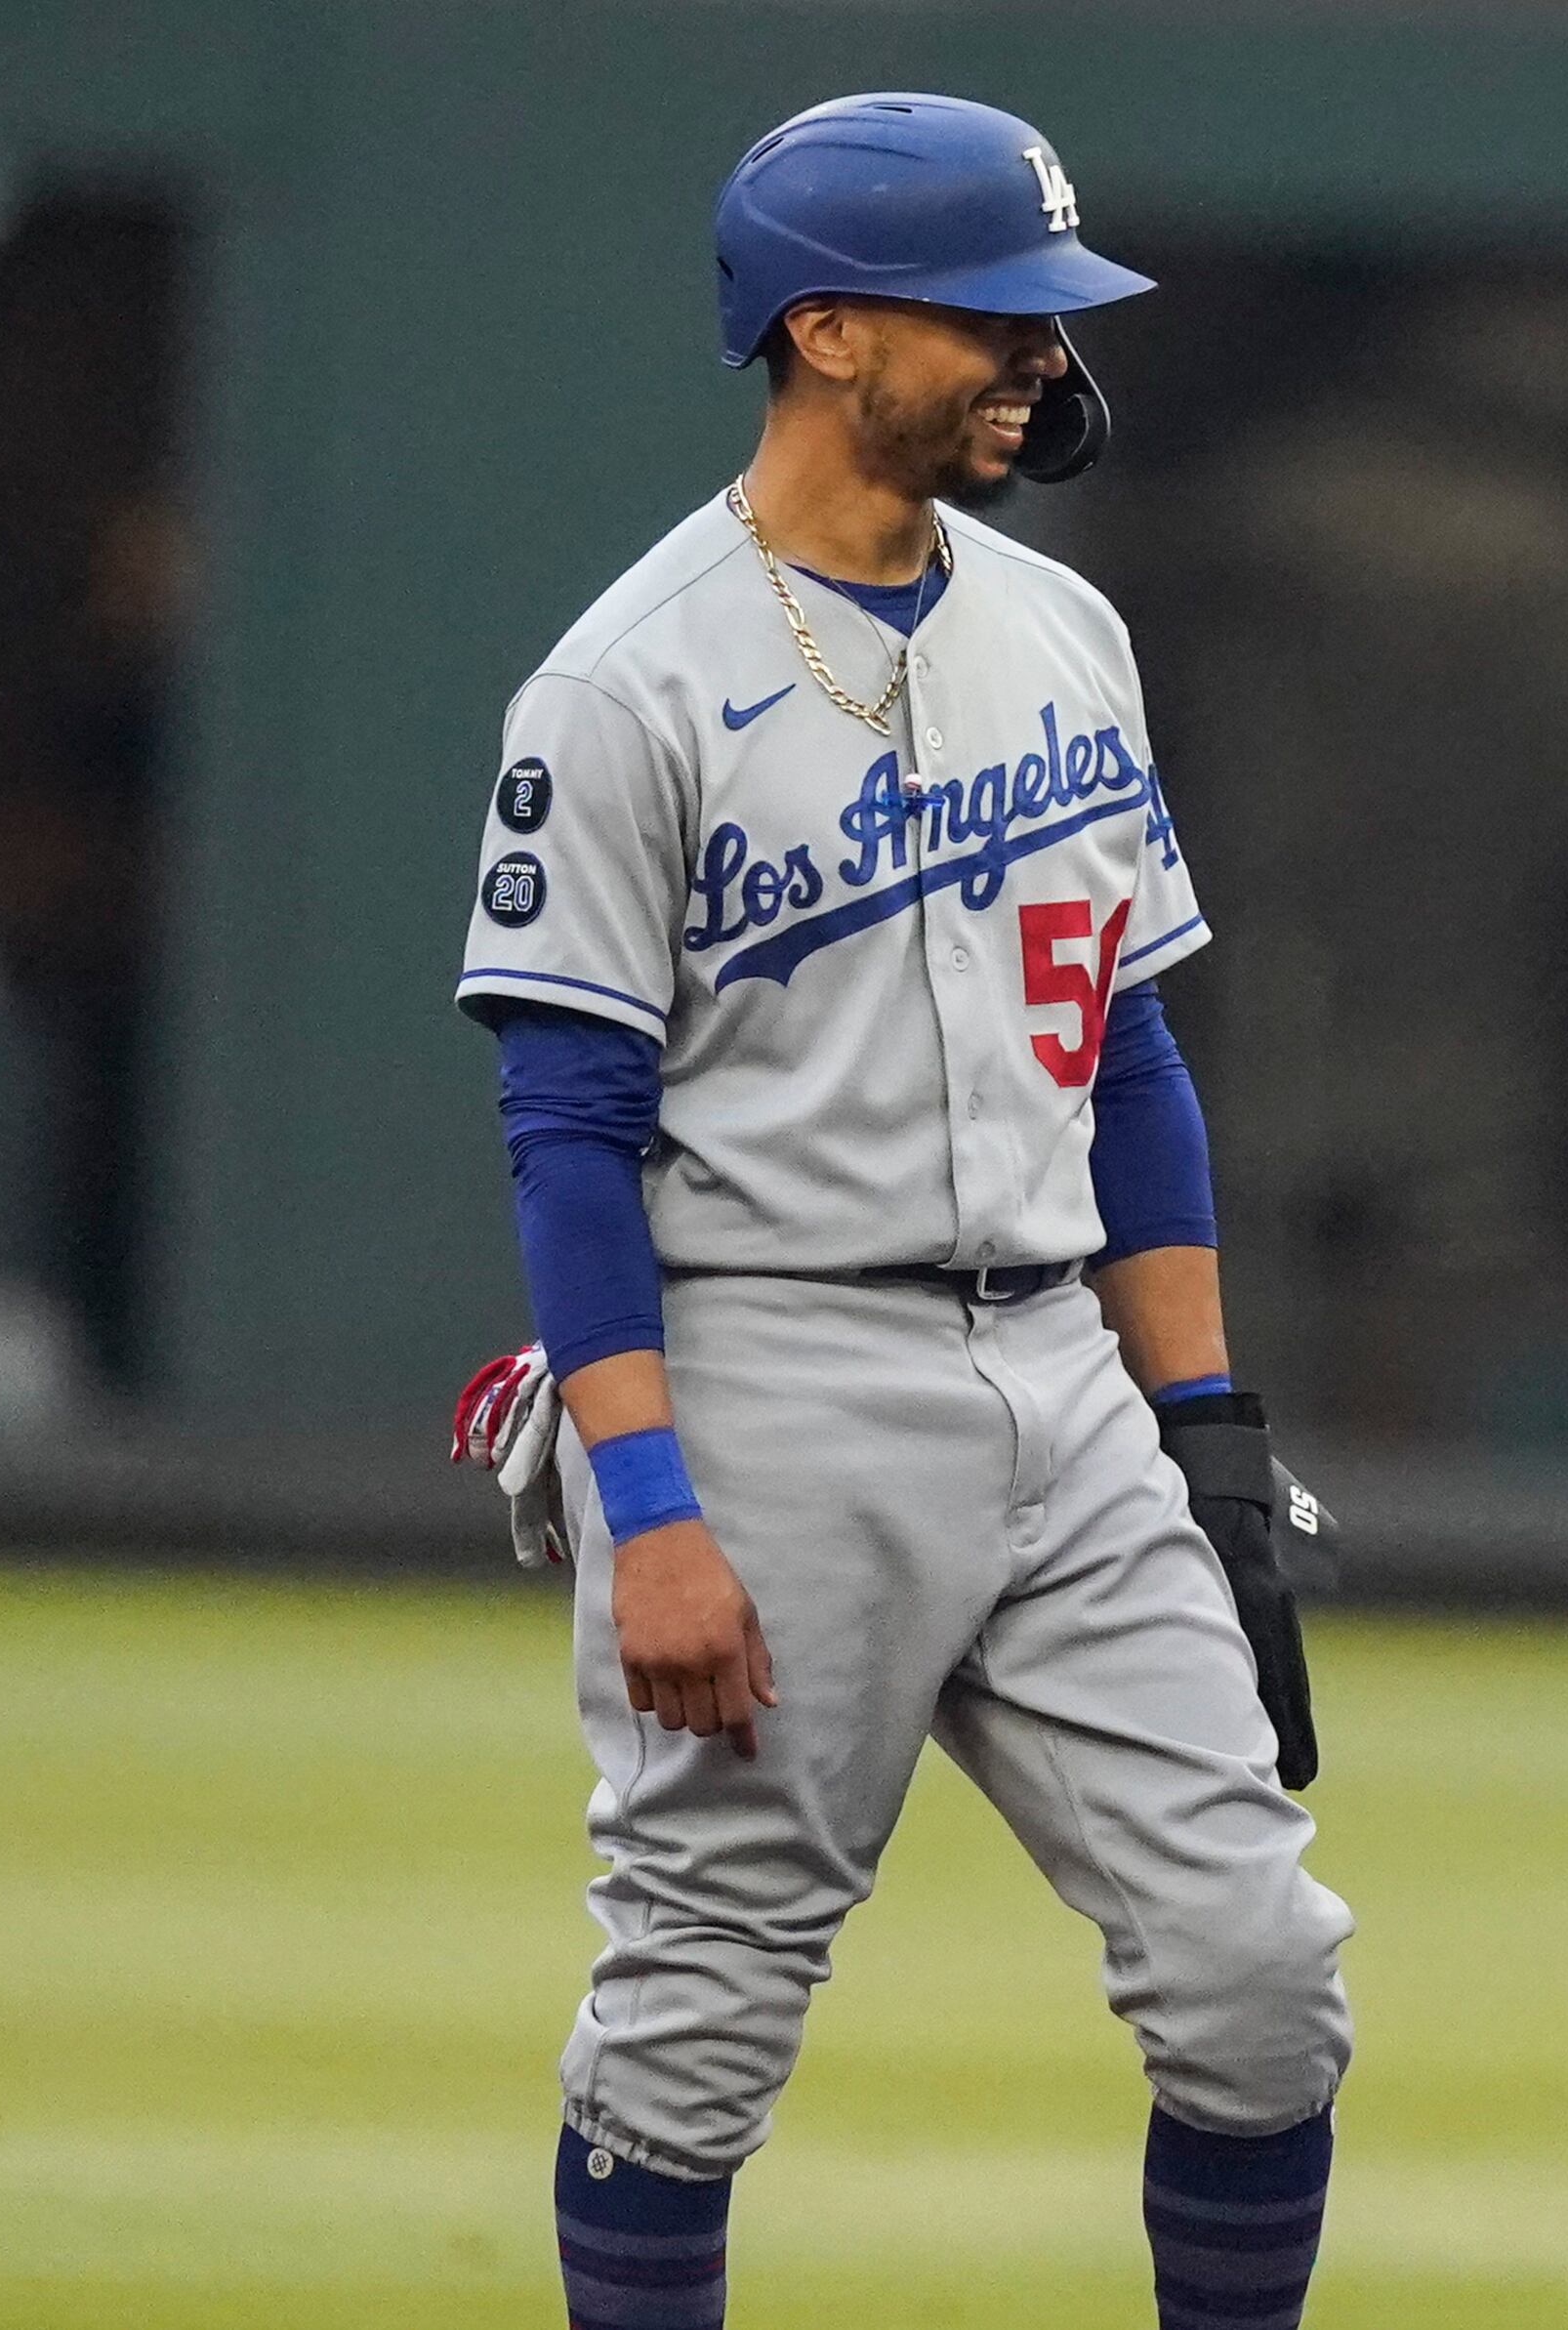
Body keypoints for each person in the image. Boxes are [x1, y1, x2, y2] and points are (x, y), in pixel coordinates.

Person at [452, 94, 1345, 2330]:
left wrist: (1208, 1423)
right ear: (830, 331)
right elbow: (568, 1125)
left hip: (1061, 1371)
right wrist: (644, 1495)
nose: (1049, 357)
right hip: (772, 1372)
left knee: (1261, 1979)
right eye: (999, 315)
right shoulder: (628, 678)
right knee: (698, 2022)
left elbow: (1130, 1055)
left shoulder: (1064, 627)